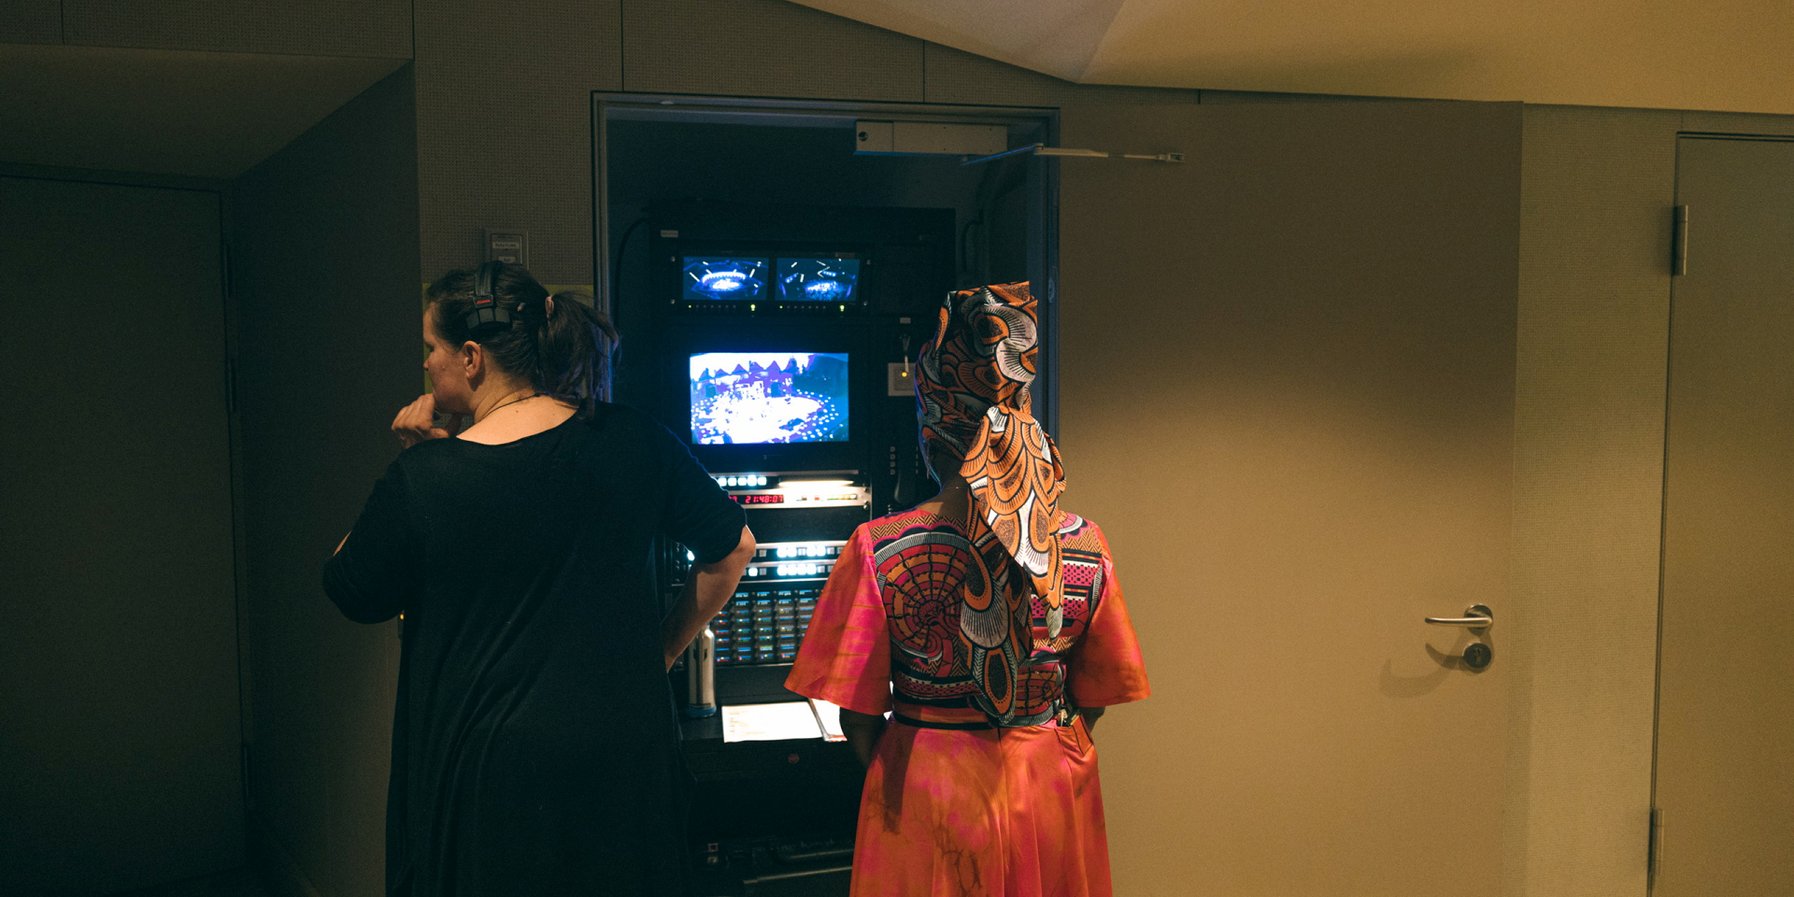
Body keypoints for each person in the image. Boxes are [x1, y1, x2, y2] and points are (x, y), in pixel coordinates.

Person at [322, 261, 753, 896]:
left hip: (492, 769)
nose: (425, 366)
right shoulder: (632, 437)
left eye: (430, 349)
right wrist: (657, 653)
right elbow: (734, 547)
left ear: (471, 358)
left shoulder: (427, 476)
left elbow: (349, 586)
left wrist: (411, 460)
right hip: (623, 755)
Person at [785, 282, 1150, 897]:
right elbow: (1097, 695)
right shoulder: (1086, 543)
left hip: (927, 776)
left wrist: (914, 756)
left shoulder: (880, 546)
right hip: (1046, 782)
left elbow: (856, 713)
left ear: (933, 429)